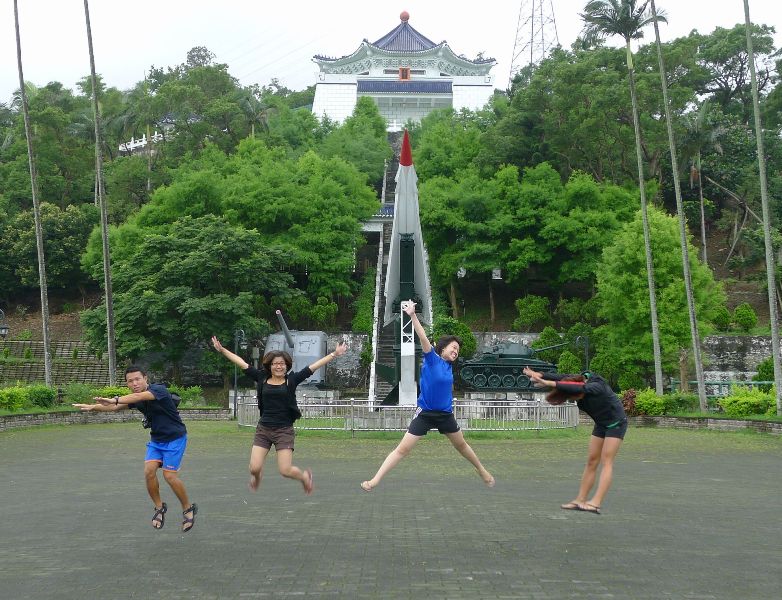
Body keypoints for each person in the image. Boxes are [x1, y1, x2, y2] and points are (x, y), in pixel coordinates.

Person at [361, 301, 495, 491]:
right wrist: (413, 315)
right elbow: (423, 337)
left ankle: (482, 471)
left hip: (445, 415)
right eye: (453, 347)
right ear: (442, 348)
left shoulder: (449, 367)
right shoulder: (432, 359)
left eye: (458, 350)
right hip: (425, 413)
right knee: (402, 449)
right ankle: (374, 480)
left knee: (461, 445)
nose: (456, 351)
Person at [211, 333, 347, 495]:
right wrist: (222, 350)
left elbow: (313, 367)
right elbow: (241, 363)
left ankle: (304, 477)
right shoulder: (261, 377)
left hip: (284, 431)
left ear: (286, 365)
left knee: (285, 470)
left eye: (282, 364)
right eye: (275, 364)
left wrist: (334, 354)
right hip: (264, 429)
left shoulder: (292, 380)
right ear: (269, 366)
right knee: (254, 468)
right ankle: (257, 477)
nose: (278, 366)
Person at [73, 366, 197, 532]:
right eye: (130, 381)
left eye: (138, 379)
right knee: (149, 472)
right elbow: (115, 408)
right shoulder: (136, 398)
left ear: (145, 378)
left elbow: (135, 397)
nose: (135, 383)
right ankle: (159, 507)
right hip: (157, 440)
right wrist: (92, 407)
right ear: (127, 384)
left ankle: (188, 508)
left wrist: (115, 399)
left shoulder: (158, 390)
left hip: (175, 439)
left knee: (169, 476)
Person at [523, 366, 627, 514]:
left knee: (607, 461)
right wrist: (540, 374)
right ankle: (580, 500)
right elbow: (562, 378)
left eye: (573, 397)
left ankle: (596, 503)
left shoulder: (596, 386)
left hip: (616, 423)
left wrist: (548, 383)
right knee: (591, 461)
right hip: (601, 424)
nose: (573, 399)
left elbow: (580, 387)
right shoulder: (577, 380)